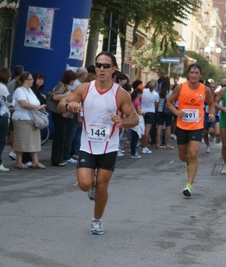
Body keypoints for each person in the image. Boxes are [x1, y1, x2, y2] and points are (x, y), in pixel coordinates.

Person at [58, 51, 138, 235]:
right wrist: (70, 105)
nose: (101, 69)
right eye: (98, 65)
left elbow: (134, 118)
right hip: (88, 144)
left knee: (102, 186)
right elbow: (62, 104)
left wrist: (122, 122)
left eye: (106, 66)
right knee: (85, 184)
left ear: (113, 69)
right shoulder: (84, 89)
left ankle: (97, 219)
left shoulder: (121, 94)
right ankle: (90, 185)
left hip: (109, 146)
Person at [166, 64, 214, 197]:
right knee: (183, 156)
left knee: (193, 154)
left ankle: (189, 185)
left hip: (197, 126)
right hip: (182, 126)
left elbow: (211, 104)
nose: (194, 75)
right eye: (191, 72)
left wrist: (211, 113)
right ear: (188, 74)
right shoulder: (181, 87)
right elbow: (169, 103)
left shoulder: (205, 89)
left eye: (196, 72)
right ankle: (188, 164)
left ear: (200, 75)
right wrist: (177, 112)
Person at [12, 72, 46, 169]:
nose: (33, 81)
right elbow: (23, 104)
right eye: (31, 79)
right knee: (21, 140)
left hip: (31, 118)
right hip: (21, 118)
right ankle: (19, 162)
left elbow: (34, 102)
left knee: (34, 140)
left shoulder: (30, 90)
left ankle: (35, 161)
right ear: (26, 81)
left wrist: (39, 107)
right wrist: (37, 106)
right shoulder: (20, 90)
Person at [49, 70, 78, 166]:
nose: (74, 81)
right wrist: (66, 95)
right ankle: (56, 159)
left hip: (66, 115)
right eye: (73, 79)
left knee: (62, 137)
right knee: (59, 137)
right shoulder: (60, 85)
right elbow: (54, 97)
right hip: (60, 115)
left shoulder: (66, 86)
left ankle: (60, 158)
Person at [7, 65, 24, 161]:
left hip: (10, 108)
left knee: (12, 131)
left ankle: (12, 149)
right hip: (16, 109)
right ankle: (14, 151)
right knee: (16, 131)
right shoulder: (19, 84)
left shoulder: (9, 83)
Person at [141, 79, 159, 154]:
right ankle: (145, 146)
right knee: (147, 130)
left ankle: (142, 144)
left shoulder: (143, 91)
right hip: (151, 112)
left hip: (142, 111)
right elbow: (156, 104)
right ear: (155, 86)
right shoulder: (156, 94)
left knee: (142, 129)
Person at [156, 76, 173, 149]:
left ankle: (157, 143)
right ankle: (168, 144)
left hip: (160, 111)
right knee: (168, 127)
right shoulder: (170, 92)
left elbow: (157, 102)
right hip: (168, 111)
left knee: (159, 126)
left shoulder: (159, 92)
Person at [130, 88, 144, 158]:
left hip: (133, 119)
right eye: (141, 94)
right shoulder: (137, 102)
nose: (142, 95)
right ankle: (133, 153)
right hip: (137, 120)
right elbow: (139, 112)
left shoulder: (133, 101)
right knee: (135, 137)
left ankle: (133, 151)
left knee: (133, 137)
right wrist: (143, 113)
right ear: (139, 94)